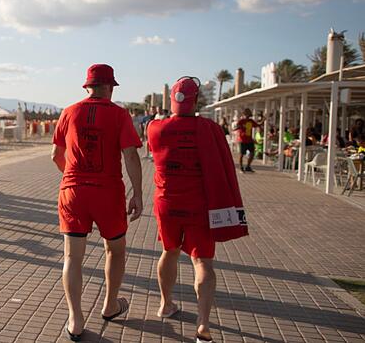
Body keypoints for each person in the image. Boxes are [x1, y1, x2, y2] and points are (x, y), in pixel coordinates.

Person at [148, 77, 248, 343]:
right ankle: (203, 325)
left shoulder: (154, 128)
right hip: (200, 206)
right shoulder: (211, 129)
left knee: (169, 251)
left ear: (172, 99)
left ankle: (165, 304)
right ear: (197, 101)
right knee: (202, 261)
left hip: (167, 203)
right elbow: (223, 166)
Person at [51, 64, 143, 341]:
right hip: (108, 192)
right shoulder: (119, 114)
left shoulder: (69, 112)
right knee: (115, 250)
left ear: (87, 86)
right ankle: (110, 305)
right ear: (110, 87)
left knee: (72, 257)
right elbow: (130, 155)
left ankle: (75, 320)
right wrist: (137, 192)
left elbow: (56, 154)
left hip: (73, 191)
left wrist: (72, 177)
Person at [234, 109, 264, 173]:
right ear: (243, 114)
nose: (247, 116)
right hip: (242, 140)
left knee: (252, 153)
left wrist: (263, 119)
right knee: (242, 154)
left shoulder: (251, 121)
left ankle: (248, 166)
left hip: (249, 140)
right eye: (246, 114)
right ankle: (241, 167)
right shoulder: (241, 121)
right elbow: (236, 127)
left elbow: (258, 124)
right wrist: (237, 128)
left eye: (248, 115)